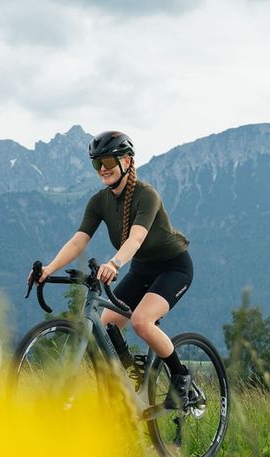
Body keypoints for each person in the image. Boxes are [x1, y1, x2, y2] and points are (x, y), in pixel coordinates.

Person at [34, 130, 194, 414]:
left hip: (174, 267)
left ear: (127, 161)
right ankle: (131, 376)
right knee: (106, 324)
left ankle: (180, 375)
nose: (103, 169)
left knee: (142, 322)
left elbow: (136, 238)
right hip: (143, 269)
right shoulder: (99, 202)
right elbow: (78, 240)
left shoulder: (146, 195)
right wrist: (49, 268)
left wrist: (115, 264)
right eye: (97, 164)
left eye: (108, 161)